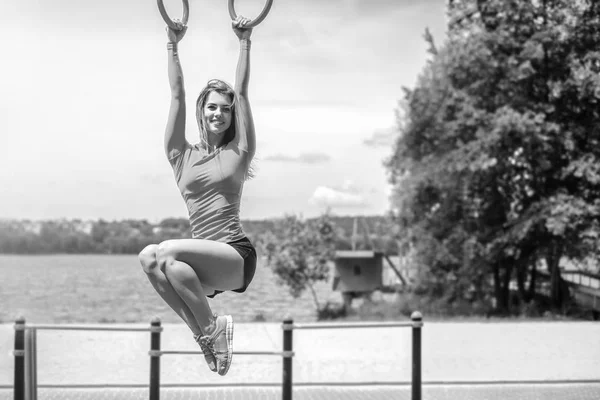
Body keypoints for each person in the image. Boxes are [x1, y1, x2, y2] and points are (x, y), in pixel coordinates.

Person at [137, 15, 257, 376]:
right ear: (202, 112)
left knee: (168, 250)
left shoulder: (239, 151)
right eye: (212, 106)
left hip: (235, 256)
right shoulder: (179, 154)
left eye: (225, 107)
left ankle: (211, 329)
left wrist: (245, 42)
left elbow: (244, 92)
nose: (219, 113)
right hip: (202, 269)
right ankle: (204, 336)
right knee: (151, 258)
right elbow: (176, 94)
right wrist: (172, 43)